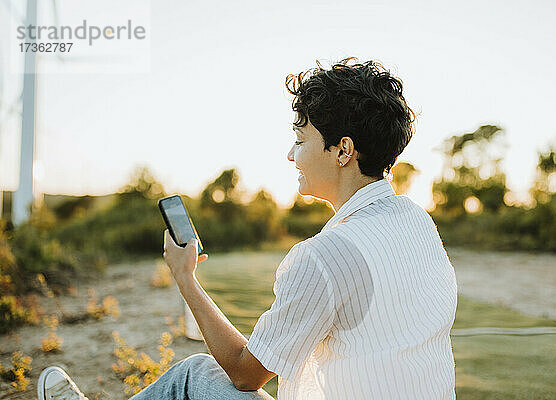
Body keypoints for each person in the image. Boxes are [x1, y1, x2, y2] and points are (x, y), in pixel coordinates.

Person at [38, 57, 457, 400]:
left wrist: (185, 277)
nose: (292, 155)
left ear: (343, 150)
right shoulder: (416, 220)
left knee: (194, 375)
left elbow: (245, 373)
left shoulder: (325, 257)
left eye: (302, 139)